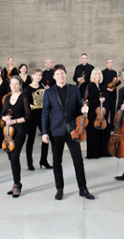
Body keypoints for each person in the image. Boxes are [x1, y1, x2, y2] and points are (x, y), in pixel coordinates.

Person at [41, 64, 95, 200]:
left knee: (78, 160)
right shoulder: (49, 92)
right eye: (57, 74)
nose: (60, 76)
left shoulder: (74, 88)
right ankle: (59, 189)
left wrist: (83, 110)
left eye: (62, 73)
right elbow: (45, 113)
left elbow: (78, 107)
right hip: (56, 131)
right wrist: (44, 132)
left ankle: (83, 189)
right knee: (57, 161)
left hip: (73, 130)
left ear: (65, 74)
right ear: (54, 76)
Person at [2, 76, 32, 197]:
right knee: (11, 156)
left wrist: (14, 121)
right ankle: (17, 183)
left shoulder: (23, 97)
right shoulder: (8, 97)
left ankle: (16, 184)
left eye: (16, 84)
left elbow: (28, 116)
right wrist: (4, 118)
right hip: (7, 131)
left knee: (14, 156)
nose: (13, 86)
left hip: (19, 130)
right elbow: (2, 113)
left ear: (20, 85)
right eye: (11, 84)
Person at [24, 69, 53, 169]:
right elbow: (25, 104)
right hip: (32, 116)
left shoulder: (43, 87)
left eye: (40, 75)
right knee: (31, 140)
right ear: (32, 75)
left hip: (43, 116)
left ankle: (43, 160)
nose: (38, 77)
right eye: (36, 75)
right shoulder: (27, 89)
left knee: (46, 138)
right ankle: (29, 162)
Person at [84, 68, 112, 159]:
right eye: (96, 74)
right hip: (92, 111)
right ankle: (93, 153)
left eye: (99, 74)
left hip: (101, 112)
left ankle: (103, 151)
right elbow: (86, 99)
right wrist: (86, 110)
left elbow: (107, 96)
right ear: (93, 75)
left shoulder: (102, 85)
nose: (98, 76)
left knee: (105, 129)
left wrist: (104, 99)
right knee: (93, 131)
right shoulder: (90, 85)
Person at [102, 59, 119, 123]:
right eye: (109, 62)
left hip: (113, 95)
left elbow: (114, 84)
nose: (111, 64)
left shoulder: (114, 72)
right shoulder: (103, 72)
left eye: (112, 62)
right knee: (105, 111)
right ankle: (105, 125)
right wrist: (106, 88)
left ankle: (112, 125)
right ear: (106, 64)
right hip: (106, 95)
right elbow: (101, 85)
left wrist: (118, 81)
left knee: (113, 112)